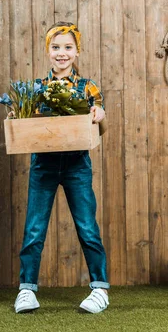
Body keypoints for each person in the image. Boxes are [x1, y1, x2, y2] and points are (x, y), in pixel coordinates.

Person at [14, 22, 109, 314]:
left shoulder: (88, 87)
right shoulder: (34, 89)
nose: (62, 53)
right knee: (34, 230)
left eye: (68, 47)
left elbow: (100, 127)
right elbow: (24, 125)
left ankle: (100, 289)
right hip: (43, 165)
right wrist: (17, 114)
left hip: (76, 165)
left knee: (87, 227)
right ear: (48, 51)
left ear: (77, 52)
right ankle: (26, 290)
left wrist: (100, 114)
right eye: (56, 48)